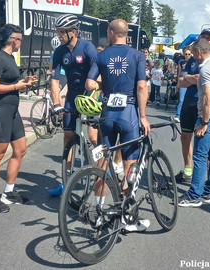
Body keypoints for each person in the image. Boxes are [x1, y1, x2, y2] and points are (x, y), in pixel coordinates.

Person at [86, 19, 151, 231]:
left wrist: (105, 86)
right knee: (129, 165)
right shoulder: (137, 55)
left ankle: (98, 212)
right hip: (128, 112)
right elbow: (141, 86)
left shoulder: (101, 55)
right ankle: (127, 217)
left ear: (112, 32)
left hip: (107, 113)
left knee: (102, 163)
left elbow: (89, 83)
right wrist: (143, 116)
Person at [0, 24, 35, 213]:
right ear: (14, 40)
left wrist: (24, 82)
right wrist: (16, 87)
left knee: (20, 150)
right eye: (20, 39)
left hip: (12, 110)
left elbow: (10, 82)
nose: (21, 42)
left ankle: (8, 192)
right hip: (0, 110)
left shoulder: (10, 58)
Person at [47, 14, 98, 196]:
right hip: (71, 96)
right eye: (57, 32)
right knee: (68, 136)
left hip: (90, 95)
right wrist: (56, 103)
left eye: (62, 32)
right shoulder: (60, 52)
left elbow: (97, 73)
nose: (59, 35)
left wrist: (92, 96)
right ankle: (65, 181)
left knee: (93, 138)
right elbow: (54, 80)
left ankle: (103, 172)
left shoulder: (87, 48)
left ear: (73, 32)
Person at [178, 38, 210, 207]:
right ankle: (208, 192)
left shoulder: (206, 69)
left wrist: (204, 122)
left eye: (193, 53)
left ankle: (194, 195)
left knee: (200, 156)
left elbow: (207, 97)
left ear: (199, 52)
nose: (192, 56)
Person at [175, 28, 210, 183]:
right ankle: (188, 170)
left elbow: (203, 81)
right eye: (202, 37)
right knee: (185, 137)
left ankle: (203, 177)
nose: (205, 39)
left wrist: (191, 79)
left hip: (203, 106)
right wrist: (194, 78)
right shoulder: (193, 59)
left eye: (208, 38)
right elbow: (180, 81)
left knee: (203, 143)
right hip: (188, 103)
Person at [174, 47, 192, 123]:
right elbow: (179, 73)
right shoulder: (181, 62)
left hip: (191, 83)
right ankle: (178, 115)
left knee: (189, 101)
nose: (187, 55)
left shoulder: (193, 62)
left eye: (189, 54)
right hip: (183, 82)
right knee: (181, 100)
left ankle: (187, 116)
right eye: (186, 54)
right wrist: (178, 84)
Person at [49, 36, 67, 106]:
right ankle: (60, 112)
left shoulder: (53, 55)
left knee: (55, 92)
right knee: (56, 92)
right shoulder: (64, 53)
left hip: (58, 75)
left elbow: (50, 69)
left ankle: (61, 110)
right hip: (64, 75)